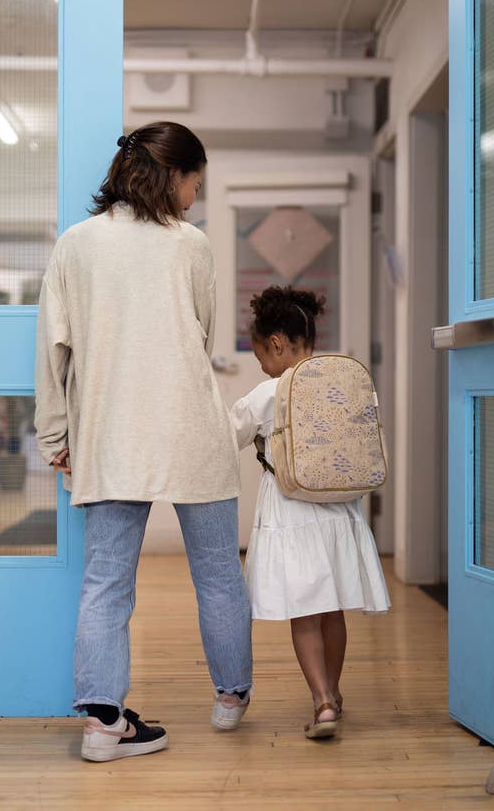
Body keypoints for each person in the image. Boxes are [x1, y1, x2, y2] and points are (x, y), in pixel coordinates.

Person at [34, 121, 252, 763]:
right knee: (218, 574)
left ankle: (102, 727)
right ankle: (230, 699)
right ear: (172, 176)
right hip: (190, 428)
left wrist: (56, 435)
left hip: (110, 433)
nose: (195, 198)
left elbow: (52, 348)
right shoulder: (192, 245)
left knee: (105, 583)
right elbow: (203, 336)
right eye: (195, 184)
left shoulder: (75, 245)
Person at [230, 286, 390, 738]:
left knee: (305, 612)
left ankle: (320, 700)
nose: (261, 362)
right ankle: (333, 695)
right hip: (341, 511)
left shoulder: (270, 391)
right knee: (333, 609)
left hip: (292, 513)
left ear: (277, 344)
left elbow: (228, 436)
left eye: (260, 351)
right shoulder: (344, 381)